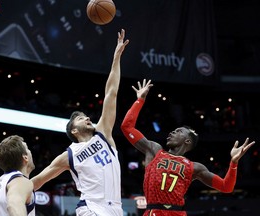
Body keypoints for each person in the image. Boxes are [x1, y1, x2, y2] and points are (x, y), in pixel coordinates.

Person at [120, 79, 256, 216]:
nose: (172, 132)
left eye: (178, 131)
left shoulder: (195, 167)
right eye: (173, 131)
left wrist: (234, 162)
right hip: (153, 211)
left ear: (187, 141)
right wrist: (140, 100)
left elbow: (226, 187)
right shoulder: (154, 150)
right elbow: (127, 127)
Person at [31, 29, 129, 216]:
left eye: (86, 116)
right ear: (74, 130)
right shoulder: (69, 155)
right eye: (80, 117)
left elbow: (111, 92)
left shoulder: (104, 133)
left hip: (115, 209)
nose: (87, 118)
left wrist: (116, 57)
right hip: (90, 208)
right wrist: (11, 188)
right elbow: (40, 179)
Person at [0, 135, 36, 216]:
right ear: (25, 157)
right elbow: (13, 205)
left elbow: (52, 169)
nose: (30, 151)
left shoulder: (1, 184)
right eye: (27, 148)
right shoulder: (20, 182)